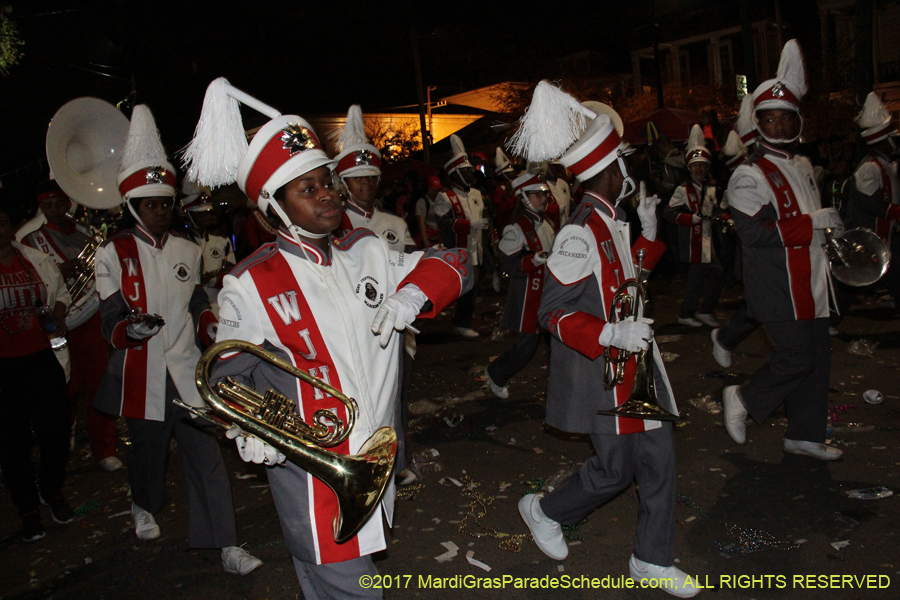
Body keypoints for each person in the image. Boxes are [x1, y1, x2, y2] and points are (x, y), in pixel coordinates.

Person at [182, 78, 473, 599]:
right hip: (313, 474)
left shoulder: (368, 250)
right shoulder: (250, 282)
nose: (327, 195)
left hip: (374, 457)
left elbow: (455, 261)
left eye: (326, 182)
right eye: (307, 189)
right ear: (272, 208)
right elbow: (224, 377)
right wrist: (251, 430)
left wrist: (414, 294)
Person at [510, 82, 698, 598]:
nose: (629, 172)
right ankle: (545, 510)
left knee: (660, 459)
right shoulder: (579, 231)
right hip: (604, 372)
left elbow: (621, 284)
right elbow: (551, 312)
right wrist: (609, 332)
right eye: (624, 164)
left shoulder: (611, 220)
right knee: (616, 471)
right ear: (612, 170)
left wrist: (649, 239)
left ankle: (651, 559)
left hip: (636, 365)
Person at [92, 105, 262, 573]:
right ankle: (144, 503)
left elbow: (196, 304)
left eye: (166, 203)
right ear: (132, 207)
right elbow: (110, 320)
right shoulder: (113, 253)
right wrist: (132, 329)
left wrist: (213, 326)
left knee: (207, 457)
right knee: (148, 457)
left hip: (188, 371)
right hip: (141, 374)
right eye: (151, 204)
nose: (162, 211)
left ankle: (226, 545)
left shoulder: (189, 249)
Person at [723, 40, 844, 461]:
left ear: (797, 120)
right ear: (758, 124)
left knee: (817, 361)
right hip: (778, 284)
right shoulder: (748, 175)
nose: (778, 125)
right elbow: (754, 234)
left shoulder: (803, 165)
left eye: (785, 117)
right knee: (796, 358)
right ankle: (743, 397)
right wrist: (813, 224)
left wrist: (830, 234)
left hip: (813, 279)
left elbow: (811, 223)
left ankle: (804, 435)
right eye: (770, 119)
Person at [22, 180, 121, 471]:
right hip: (56, 323)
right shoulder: (31, 241)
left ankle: (105, 448)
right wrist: (58, 272)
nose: (54, 210)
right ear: (41, 207)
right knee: (64, 386)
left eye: (59, 204)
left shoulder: (86, 234)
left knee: (98, 384)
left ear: (68, 204)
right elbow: (31, 284)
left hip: (90, 317)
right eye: (47, 206)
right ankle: (63, 437)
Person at [1, 189, 75, 542]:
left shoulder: (34, 259)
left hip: (41, 358)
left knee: (56, 431)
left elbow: (60, 293)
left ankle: (51, 489)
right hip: (4, 369)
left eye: (1, 222)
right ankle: (28, 509)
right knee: (12, 442)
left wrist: (58, 314)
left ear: (11, 225)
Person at [485, 172, 556, 399]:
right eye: (537, 194)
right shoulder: (516, 228)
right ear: (524, 198)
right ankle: (496, 373)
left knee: (556, 343)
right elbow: (507, 264)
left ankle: (559, 388)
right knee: (526, 348)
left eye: (544, 194)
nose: (543, 198)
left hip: (549, 293)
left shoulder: (546, 222)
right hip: (529, 297)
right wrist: (533, 260)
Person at [664, 125, 728, 328]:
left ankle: (700, 311)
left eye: (702, 165)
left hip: (708, 239)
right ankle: (692, 312)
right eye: (695, 166)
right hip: (693, 241)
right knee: (703, 274)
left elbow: (713, 211)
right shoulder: (683, 189)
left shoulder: (710, 188)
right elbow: (668, 213)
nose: (699, 169)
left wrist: (726, 216)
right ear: (689, 168)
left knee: (712, 273)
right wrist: (689, 219)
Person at [333, 105, 416, 253]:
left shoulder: (395, 221)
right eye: (357, 177)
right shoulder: (334, 222)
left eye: (371, 176)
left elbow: (411, 259)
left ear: (378, 181)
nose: (366, 181)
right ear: (344, 183)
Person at [846, 91, 900, 308]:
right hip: (872, 231)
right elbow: (867, 203)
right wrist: (893, 211)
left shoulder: (885, 163)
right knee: (870, 273)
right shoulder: (870, 167)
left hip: (886, 231)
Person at [433, 134, 487, 338]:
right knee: (459, 287)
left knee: (472, 287)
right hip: (457, 250)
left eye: (470, 170)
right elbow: (443, 223)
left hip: (475, 248)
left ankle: (461, 321)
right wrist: (470, 224)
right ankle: (455, 319)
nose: (471, 173)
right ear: (455, 174)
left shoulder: (476, 194)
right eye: (465, 171)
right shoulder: (445, 196)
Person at [181, 179, 235, 316]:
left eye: (208, 211)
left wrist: (216, 279)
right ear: (189, 215)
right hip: (188, 309)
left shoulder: (222, 241)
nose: (207, 215)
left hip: (217, 306)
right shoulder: (179, 243)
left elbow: (232, 273)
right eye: (201, 213)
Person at [414, 175, 443, 248]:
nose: (437, 191)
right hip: (428, 233)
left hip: (439, 234)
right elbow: (421, 223)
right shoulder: (422, 202)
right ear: (429, 188)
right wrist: (425, 241)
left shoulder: (441, 200)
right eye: (435, 189)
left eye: (438, 189)